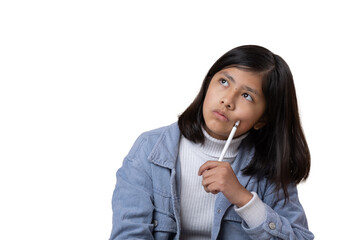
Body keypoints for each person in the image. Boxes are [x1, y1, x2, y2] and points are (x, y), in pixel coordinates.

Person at [109, 45, 314, 239]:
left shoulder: (269, 168)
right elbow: (128, 233)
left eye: (246, 95)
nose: (227, 100)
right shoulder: (149, 149)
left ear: (262, 119)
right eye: (224, 82)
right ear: (208, 84)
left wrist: (244, 199)